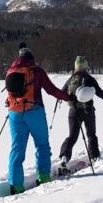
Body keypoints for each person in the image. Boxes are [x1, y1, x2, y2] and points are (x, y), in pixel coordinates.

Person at [4, 43, 72, 195]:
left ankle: (15, 185)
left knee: (16, 149)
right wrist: (68, 97)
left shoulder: (11, 71)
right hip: (34, 111)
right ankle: (43, 177)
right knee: (41, 145)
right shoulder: (36, 71)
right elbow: (51, 90)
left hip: (14, 114)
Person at [58, 56, 103, 173]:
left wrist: (70, 98)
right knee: (91, 135)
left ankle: (64, 158)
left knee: (72, 136)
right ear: (85, 67)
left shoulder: (71, 79)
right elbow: (100, 93)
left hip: (73, 111)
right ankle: (95, 157)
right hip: (88, 110)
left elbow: (61, 93)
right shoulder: (89, 78)